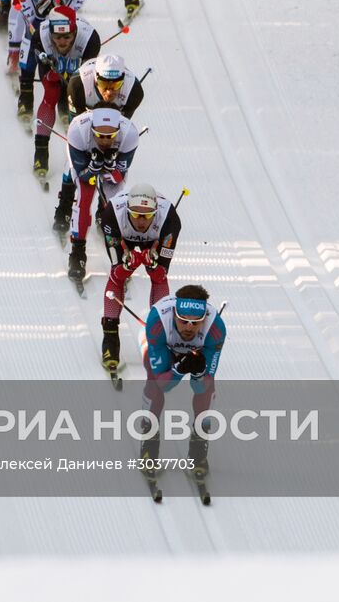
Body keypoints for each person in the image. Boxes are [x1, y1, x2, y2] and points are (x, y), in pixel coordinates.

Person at [136, 284, 226, 479]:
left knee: (207, 392)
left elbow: (201, 385)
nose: (189, 327)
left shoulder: (216, 329)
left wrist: (198, 372)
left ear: (205, 319)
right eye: (183, 321)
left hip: (199, 351)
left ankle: (199, 445)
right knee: (153, 384)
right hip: (164, 347)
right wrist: (178, 369)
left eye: (196, 323)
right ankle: (149, 440)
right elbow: (163, 385)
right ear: (174, 314)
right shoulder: (158, 320)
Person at [99, 184, 181, 377]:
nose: (142, 221)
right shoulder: (112, 215)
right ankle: (110, 336)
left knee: (159, 277)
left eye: (147, 215)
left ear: (156, 212)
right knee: (118, 275)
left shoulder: (170, 219)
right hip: (122, 237)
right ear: (127, 210)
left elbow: (161, 274)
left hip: (156, 239)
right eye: (135, 215)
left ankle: (162, 335)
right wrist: (127, 265)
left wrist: (153, 265)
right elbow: (116, 272)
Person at [58, 107, 139, 284]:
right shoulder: (78, 129)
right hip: (85, 161)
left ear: (118, 131)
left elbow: (119, 175)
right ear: (92, 129)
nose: (105, 141)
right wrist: (94, 167)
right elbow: (81, 174)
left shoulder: (129, 134)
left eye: (110, 136)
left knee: (116, 206)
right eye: (100, 135)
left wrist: (109, 166)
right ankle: (77, 252)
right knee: (83, 201)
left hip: (109, 166)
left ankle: (119, 255)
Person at [28, 6, 101, 181]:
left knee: (80, 94)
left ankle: (84, 145)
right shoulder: (41, 36)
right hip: (53, 66)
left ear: (75, 32)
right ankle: (41, 152)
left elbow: (87, 78)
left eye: (67, 37)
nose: (61, 42)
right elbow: (45, 73)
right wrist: (54, 72)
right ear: (50, 34)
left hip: (81, 63)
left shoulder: (90, 39)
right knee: (51, 92)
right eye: (57, 37)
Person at [8, 0, 91, 90]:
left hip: (63, 2)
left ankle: (68, 83)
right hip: (34, 0)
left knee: (66, 36)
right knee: (31, 34)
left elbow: (69, 22)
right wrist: (40, 16)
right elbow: (31, 21)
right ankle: (26, 87)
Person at [67, 53, 144, 118]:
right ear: (95, 80)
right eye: (104, 84)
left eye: (116, 84)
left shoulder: (134, 91)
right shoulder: (77, 86)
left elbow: (122, 124)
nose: (109, 93)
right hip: (80, 92)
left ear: (123, 81)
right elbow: (76, 123)